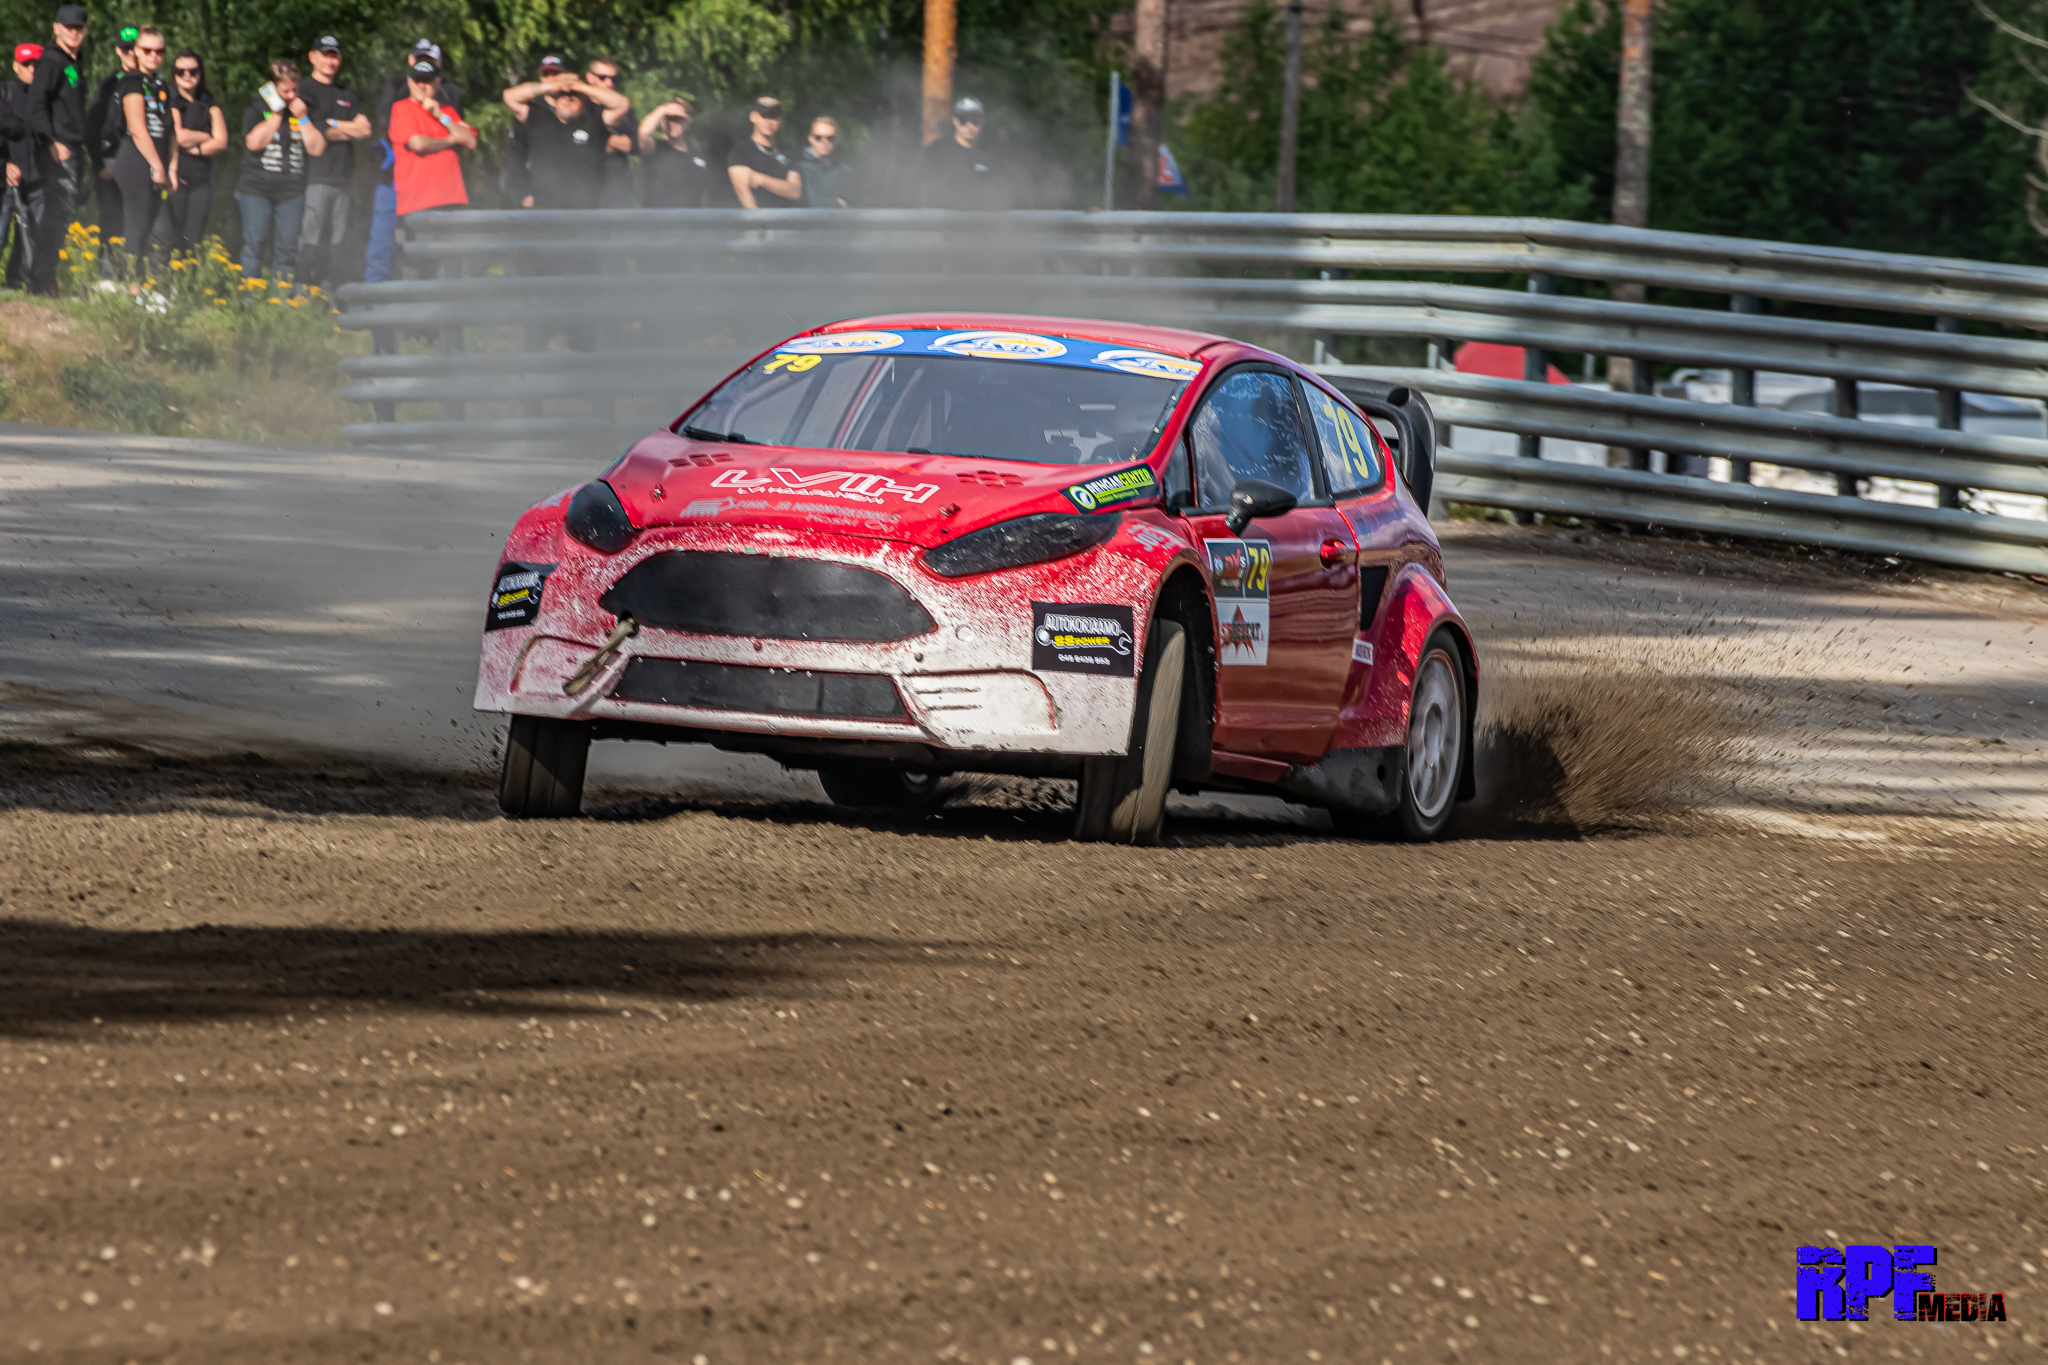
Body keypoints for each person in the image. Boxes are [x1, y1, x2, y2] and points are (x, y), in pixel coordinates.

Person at [365, 40, 461, 283]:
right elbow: (384, 125)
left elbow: (461, 136)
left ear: (439, 63)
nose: (423, 65)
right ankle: (375, 296)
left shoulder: (449, 92)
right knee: (383, 242)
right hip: (393, 174)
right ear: (410, 60)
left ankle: (436, 300)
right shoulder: (397, 85)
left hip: (431, 183)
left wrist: (440, 136)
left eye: (430, 60)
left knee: (432, 247)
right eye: (419, 58)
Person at [235, 58, 325, 280]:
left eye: (295, 90)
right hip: (256, 188)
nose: (291, 95)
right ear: (274, 88)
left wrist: (303, 118)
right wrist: (276, 114)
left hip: (291, 192)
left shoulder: (305, 109)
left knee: (287, 252)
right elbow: (253, 143)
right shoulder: (257, 107)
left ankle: (281, 299)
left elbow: (317, 149)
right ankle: (249, 295)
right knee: (254, 245)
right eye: (286, 91)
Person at [296, 35, 368, 294]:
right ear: (312, 57)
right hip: (315, 176)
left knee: (336, 241)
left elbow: (365, 129)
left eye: (334, 55)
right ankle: (300, 293)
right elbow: (317, 131)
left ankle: (327, 294)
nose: (330, 61)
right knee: (310, 239)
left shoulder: (346, 93)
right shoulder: (304, 90)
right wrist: (347, 128)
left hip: (342, 176)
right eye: (325, 55)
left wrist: (333, 124)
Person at [502, 61, 626, 209]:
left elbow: (622, 104)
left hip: (587, 209)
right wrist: (553, 86)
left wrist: (580, 86)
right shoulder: (537, 117)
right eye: (562, 95)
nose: (568, 99)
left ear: (584, 100)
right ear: (554, 100)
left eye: (574, 96)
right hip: (544, 207)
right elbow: (509, 96)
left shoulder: (595, 119)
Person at [26, 4, 88, 295]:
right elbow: (35, 107)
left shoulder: (71, 62)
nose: (73, 33)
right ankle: (41, 280)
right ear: (56, 28)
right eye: (68, 27)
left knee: (61, 214)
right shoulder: (51, 62)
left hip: (73, 147)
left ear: (85, 31)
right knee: (57, 213)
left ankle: (44, 277)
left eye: (78, 28)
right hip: (57, 149)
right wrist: (51, 142)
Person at [109, 24, 173, 278]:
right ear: (136, 51)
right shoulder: (132, 82)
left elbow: (169, 130)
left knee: (156, 229)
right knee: (136, 225)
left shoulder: (160, 84)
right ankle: (131, 284)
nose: (153, 56)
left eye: (159, 51)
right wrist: (157, 166)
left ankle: (150, 283)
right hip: (136, 159)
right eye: (147, 51)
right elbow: (137, 129)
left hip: (157, 157)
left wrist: (170, 167)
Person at [389, 56, 474, 238]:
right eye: (417, 80)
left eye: (426, 81)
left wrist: (440, 116)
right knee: (418, 255)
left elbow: (470, 141)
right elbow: (417, 144)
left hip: (451, 199)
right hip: (417, 204)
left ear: (437, 83)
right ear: (409, 82)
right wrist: (451, 141)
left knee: (453, 254)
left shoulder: (447, 112)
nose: (421, 86)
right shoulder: (401, 108)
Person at [155, 50, 223, 254]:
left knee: (194, 238)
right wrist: (207, 135)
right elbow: (178, 136)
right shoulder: (170, 98)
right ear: (173, 73)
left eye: (193, 71)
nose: (187, 75)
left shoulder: (208, 101)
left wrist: (195, 149)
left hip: (201, 178)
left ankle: (188, 274)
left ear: (200, 73)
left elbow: (222, 141)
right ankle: (165, 273)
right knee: (170, 234)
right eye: (181, 71)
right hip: (176, 175)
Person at [84, 24, 137, 257]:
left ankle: (138, 271)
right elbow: (93, 127)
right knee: (112, 219)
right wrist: (99, 165)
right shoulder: (110, 84)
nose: (132, 54)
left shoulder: (155, 84)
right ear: (118, 51)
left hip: (143, 163)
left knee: (140, 221)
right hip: (112, 160)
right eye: (126, 49)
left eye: (136, 48)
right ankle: (107, 268)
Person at [2, 43, 42, 288]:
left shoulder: (46, 98)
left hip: (38, 177)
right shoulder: (5, 92)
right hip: (8, 176)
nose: (32, 69)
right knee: (1, 232)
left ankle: (19, 281)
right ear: (16, 66)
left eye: (37, 65)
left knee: (34, 233)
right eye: (26, 64)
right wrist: (6, 163)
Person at [919, 96, 1004, 210]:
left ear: (982, 122)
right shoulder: (936, 151)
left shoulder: (990, 157)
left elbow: (1001, 192)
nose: (970, 126)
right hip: (943, 219)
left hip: (979, 219)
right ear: (955, 121)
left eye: (975, 121)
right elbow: (917, 182)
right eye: (964, 120)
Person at [637, 97, 712, 208]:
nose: (672, 123)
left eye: (678, 119)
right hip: (657, 217)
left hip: (690, 217)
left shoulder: (697, 156)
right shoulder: (656, 148)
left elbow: (703, 195)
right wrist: (663, 109)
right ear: (662, 122)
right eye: (668, 118)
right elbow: (644, 133)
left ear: (687, 123)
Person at [726, 95, 798, 209]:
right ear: (753, 117)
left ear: (780, 120)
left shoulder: (788, 153)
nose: (768, 121)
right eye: (764, 116)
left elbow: (794, 191)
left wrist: (761, 179)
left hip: (785, 219)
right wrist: (757, 219)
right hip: (753, 219)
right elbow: (743, 192)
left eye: (773, 117)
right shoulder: (741, 151)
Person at [583, 56, 634, 207]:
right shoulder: (580, 108)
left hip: (618, 192)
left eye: (614, 79)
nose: (609, 83)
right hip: (586, 191)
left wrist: (608, 142)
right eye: (602, 77)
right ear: (589, 77)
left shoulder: (626, 111)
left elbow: (637, 145)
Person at [800, 116, 849, 208]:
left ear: (836, 140)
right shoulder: (798, 167)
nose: (824, 141)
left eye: (830, 138)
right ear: (810, 139)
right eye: (818, 137)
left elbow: (850, 205)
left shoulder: (845, 171)